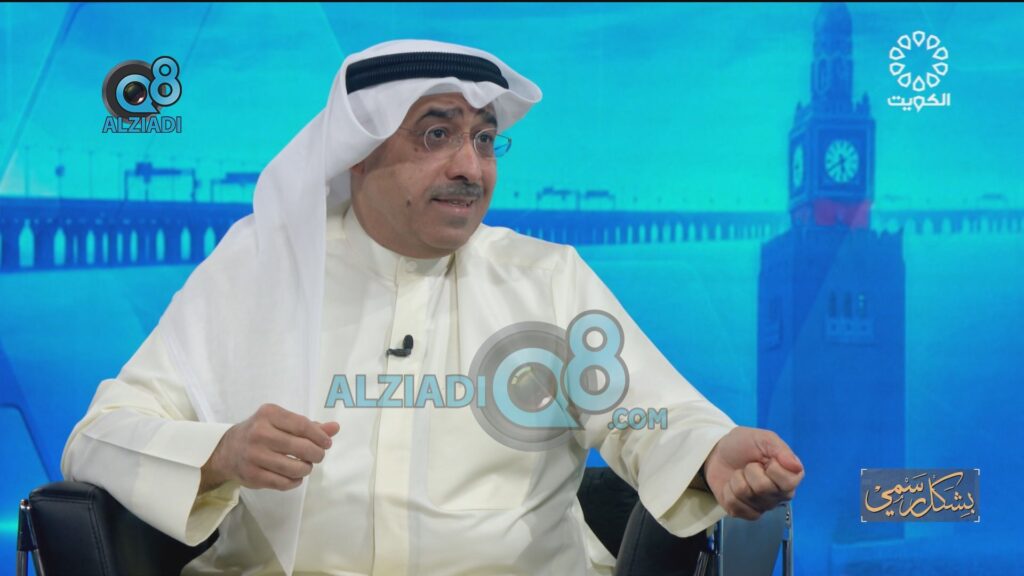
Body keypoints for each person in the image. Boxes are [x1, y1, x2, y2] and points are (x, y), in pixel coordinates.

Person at [62, 39, 804, 575]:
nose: (470, 167)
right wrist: (220, 453)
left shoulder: (546, 278)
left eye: (484, 140)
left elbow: (650, 414)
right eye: (437, 135)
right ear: (357, 151)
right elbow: (100, 436)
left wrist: (713, 452)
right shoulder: (257, 269)